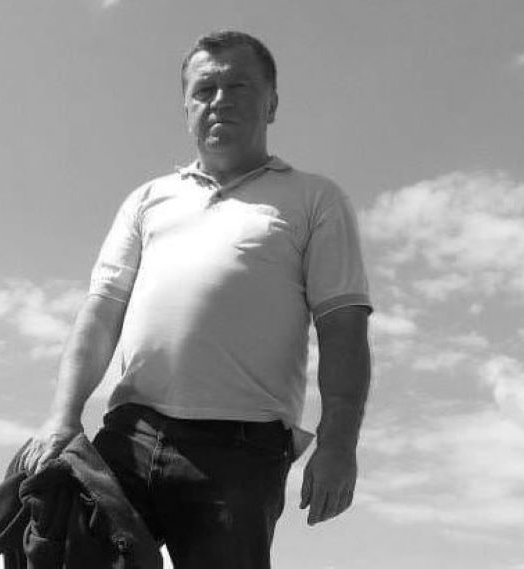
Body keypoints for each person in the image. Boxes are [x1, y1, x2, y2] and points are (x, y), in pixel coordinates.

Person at [21, 30, 372, 569]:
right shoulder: (147, 200)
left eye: (239, 86)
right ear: (186, 107)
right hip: (131, 433)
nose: (220, 100)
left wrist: (339, 443)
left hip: (241, 449)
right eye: (204, 89)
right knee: (63, 553)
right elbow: (101, 313)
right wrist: (62, 417)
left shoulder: (314, 199)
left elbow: (342, 328)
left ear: (272, 103)